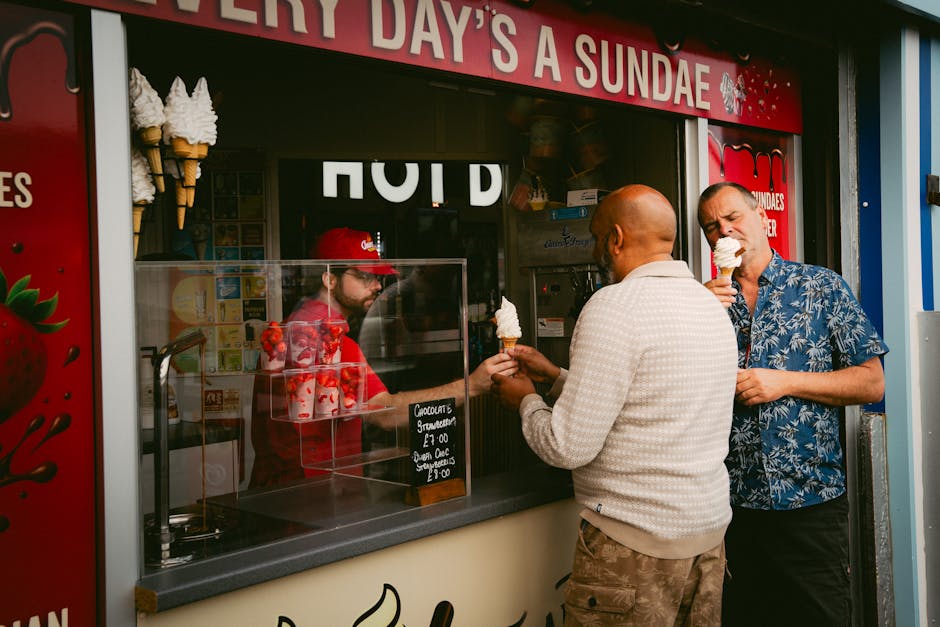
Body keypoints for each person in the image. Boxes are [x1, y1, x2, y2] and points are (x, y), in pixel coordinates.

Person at [491, 184, 738, 626]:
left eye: (595, 235)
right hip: (707, 541)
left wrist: (525, 400)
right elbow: (653, 402)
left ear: (616, 238)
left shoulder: (613, 305)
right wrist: (554, 379)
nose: (594, 247)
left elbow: (567, 447)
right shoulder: (711, 306)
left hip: (634, 547)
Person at [697, 181, 889, 626]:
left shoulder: (820, 287)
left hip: (809, 503)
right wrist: (697, 312)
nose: (723, 231)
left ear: (762, 216)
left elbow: (871, 383)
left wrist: (785, 382)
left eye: (732, 218)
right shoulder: (701, 303)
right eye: (711, 226)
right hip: (729, 507)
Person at [250, 227, 515, 487]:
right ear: (330, 279)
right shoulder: (332, 344)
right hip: (316, 493)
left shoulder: (288, 328)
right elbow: (385, 414)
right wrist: (472, 385)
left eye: (378, 277)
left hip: (277, 487)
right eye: (366, 276)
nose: (377, 285)